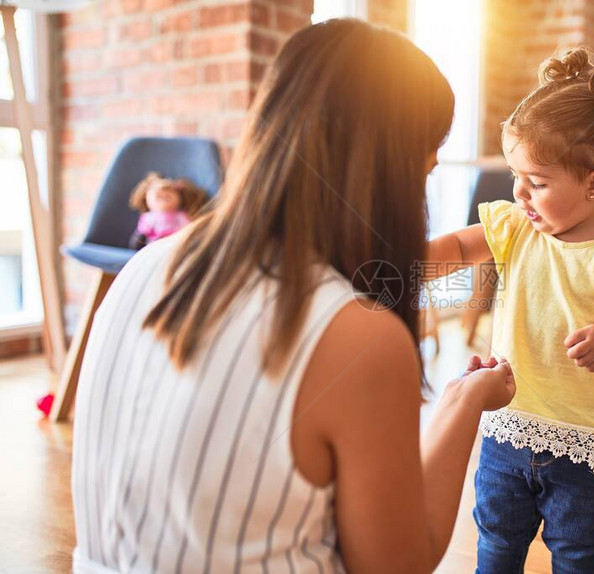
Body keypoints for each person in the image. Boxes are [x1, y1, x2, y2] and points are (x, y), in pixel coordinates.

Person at [71, 19, 514, 574]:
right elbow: (398, 564)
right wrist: (462, 402)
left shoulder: (150, 264)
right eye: (423, 172)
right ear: (387, 174)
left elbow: (387, 268)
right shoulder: (361, 338)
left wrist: (503, 233)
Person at [426, 47, 594, 573]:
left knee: (577, 549)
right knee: (496, 540)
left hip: (584, 439)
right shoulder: (516, 225)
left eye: (537, 183)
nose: (520, 193)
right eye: (517, 177)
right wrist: (408, 253)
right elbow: (456, 248)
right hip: (509, 421)